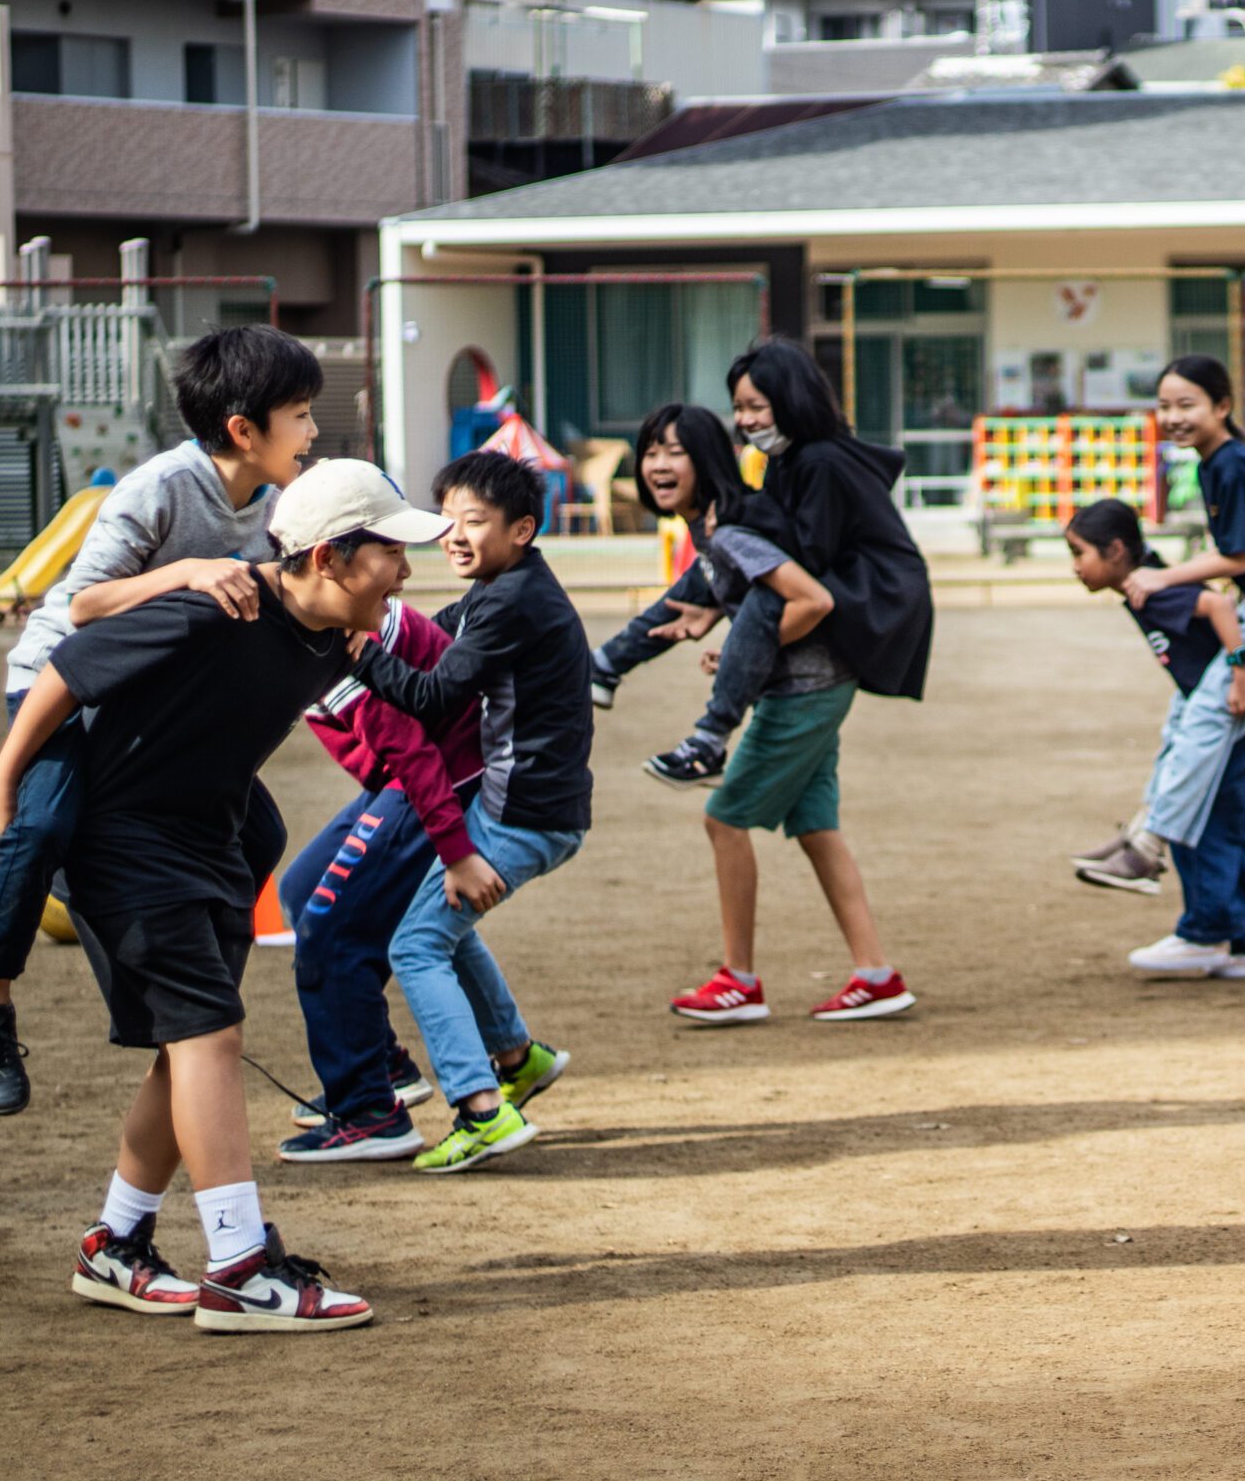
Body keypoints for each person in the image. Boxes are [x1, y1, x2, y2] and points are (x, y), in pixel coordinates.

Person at [4, 459, 450, 1330]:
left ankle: (115, 1244)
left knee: (186, 1049)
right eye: (390, 551)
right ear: (328, 558)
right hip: (125, 839)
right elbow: (72, 654)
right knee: (210, 1033)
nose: (404, 569)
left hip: (203, 839)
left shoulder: (324, 635)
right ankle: (240, 1266)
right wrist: (8, 778)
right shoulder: (218, 604)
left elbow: (420, 702)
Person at [0, 324, 319, 1117]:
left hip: (148, 706)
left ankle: (194, 993)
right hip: (60, 678)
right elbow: (85, 604)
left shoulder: (272, 511)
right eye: (299, 413)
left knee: (261, 833)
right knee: (47, 824)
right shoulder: (160, 487)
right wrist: (190, 571)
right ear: (243, 429)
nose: (312, 430)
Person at [346, 451, 592, 1173]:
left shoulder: (510, 601)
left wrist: (357, 653)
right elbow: (438, 634)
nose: (454, 536)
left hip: (522, 814)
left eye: (473, 523)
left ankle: (480, 1108)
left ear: (522, 528)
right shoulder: (508, 587)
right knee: (440, 931)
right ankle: (518, 1057)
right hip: (539, 807)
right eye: (446, 521)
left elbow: (429, 694)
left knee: (414, 945)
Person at [632, 405, 914, 1023]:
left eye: (674, 451)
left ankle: (739, 981)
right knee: (816, 826)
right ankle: (876, 975)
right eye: (651, 451)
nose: (659, 464)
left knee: (724, 819)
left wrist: (741, 653)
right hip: (816, 684)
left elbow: (811, 602)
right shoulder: (711, 527)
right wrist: (734, 646)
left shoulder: (729, 528)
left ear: (707, 459)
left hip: (802, 691)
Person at [611, 341, 933, 787]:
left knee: (759, 582)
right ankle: (608, 663)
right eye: (738, 407)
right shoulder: (790, 459)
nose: (744, 419)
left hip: (879, 592)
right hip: (850, 582)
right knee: (712, 568)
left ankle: (710, 739)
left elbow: (807, 550)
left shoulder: (821, 460)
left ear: (791, 400)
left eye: (756, 406)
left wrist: (738, 510)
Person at [1075, 356, 1245, 895]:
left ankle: (1149, 848)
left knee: (1202, 724)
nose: (1173, 416)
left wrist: (1164, 578)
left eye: (1187, 404)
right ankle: (1141, 831)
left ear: (1222, 407)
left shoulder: (1230, 463)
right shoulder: (1218, 462)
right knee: (1186, 718)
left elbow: (1241, 558)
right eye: (1164, 406)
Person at [274, 585, 485, 1162]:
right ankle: (384, 1068)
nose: (406, 572)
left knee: (328, 928)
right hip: (405, 780)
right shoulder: (308, 624)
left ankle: (370, 1111)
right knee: (299, 892)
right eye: (390, 554)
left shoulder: (344, 641)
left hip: (441, 785)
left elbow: (415, 756)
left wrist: (457, 852)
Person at [1068, 499, 1245, 977]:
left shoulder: (1151, 587)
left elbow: (1218, 603)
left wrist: (1240, 677)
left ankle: (1207, 932)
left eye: (1078, 553)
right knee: (1239, 825)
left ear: (1115, 551)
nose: (1074, 567)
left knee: (1202, 819)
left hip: (1241, 712)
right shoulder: (1147, 583)